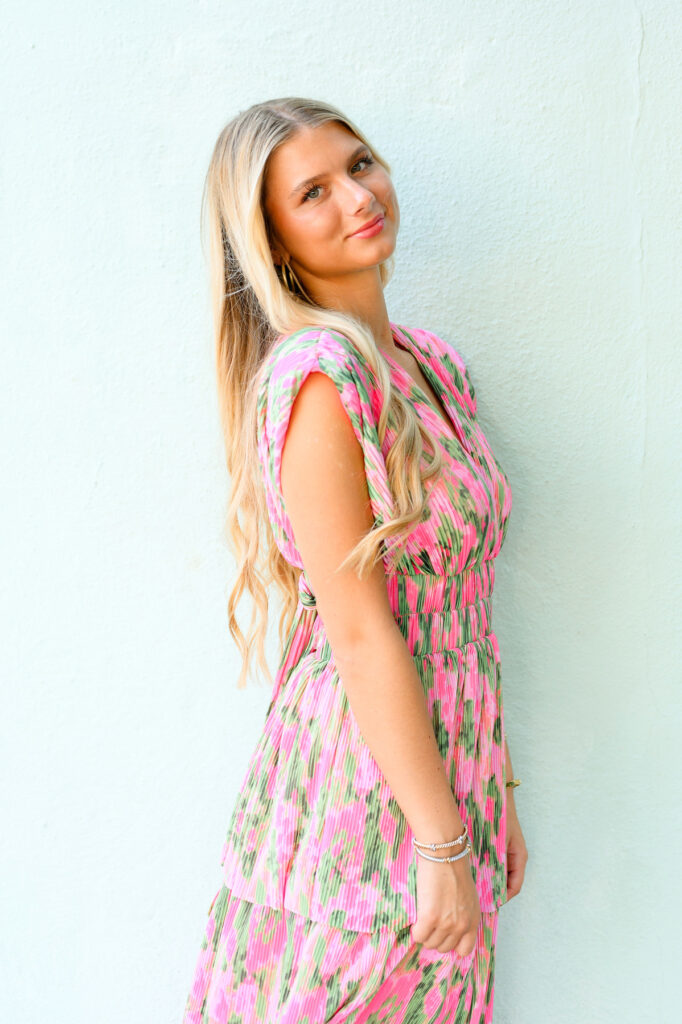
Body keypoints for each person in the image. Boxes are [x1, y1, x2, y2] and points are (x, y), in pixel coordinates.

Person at [182, 97, 528, 1024]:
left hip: (441, 779)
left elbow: (464, 612)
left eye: (361, 164)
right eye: (314, 192)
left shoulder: (429, 368)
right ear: (275, 240)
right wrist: (443, 845)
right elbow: (362, 630)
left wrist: (492, 787)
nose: (357, 195)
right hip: (362, 795)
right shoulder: (322, 381)